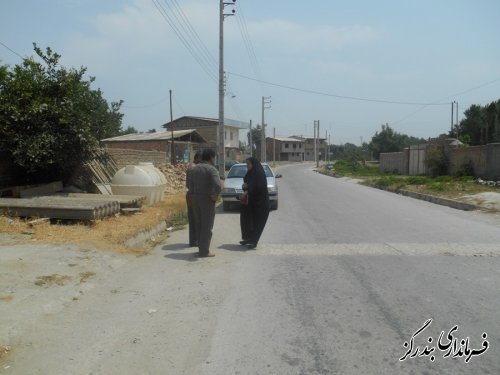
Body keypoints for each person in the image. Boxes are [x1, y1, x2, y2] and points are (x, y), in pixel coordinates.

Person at [188, 148, 221, 257]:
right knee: (207, 227)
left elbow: (189, 185)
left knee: (199, 225)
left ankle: (200, 248)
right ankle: (204, 251)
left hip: (195, 199)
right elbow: (217, 185)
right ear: (211, 157)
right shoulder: (212, 169)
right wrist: (215, 196)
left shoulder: (193, 169)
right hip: (207, 200)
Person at [240, 157, 269, 249]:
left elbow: (259, 188)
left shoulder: (259, 174)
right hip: (250, 202)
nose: (247, 166)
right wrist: (245, 187)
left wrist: (248, 190)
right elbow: (247, 185)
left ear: (254, 164)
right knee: (246, 220)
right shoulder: (249, 173)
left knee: (257, 223)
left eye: (248, 164)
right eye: (246, 164)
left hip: (260, 203)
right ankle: (248, 238)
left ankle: (254, 241)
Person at [186, 151, 201, 247]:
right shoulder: (196, 168)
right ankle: (197, 240)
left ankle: (193, 240)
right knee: (197, 218)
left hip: (190, 195)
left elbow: (187, 184)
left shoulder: (190, 167)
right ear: (198, 158)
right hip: (196, 196)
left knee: (192, 218)